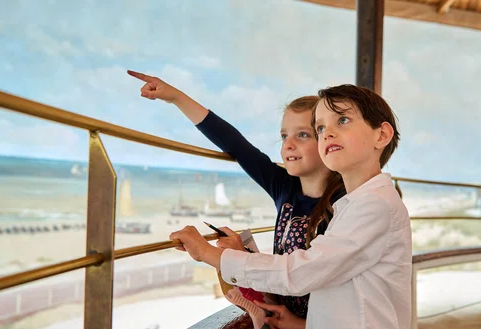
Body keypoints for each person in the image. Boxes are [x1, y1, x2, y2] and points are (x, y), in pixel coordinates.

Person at [169, 84, 413, 329]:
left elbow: (302, 271)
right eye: (320, 127)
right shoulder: (353, 204)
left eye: (343, 120)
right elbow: (336, 290)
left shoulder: (373, 206)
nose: (327, 133)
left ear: (381, 135)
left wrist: (208, 253)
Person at [128, 70, 345, 328]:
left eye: (303, 135)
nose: (288, 145)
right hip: (281, 311)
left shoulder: (344, 200)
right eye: (284, 135)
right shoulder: (283, 186)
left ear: (326, 139)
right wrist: (176, 98)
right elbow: (236, 144)